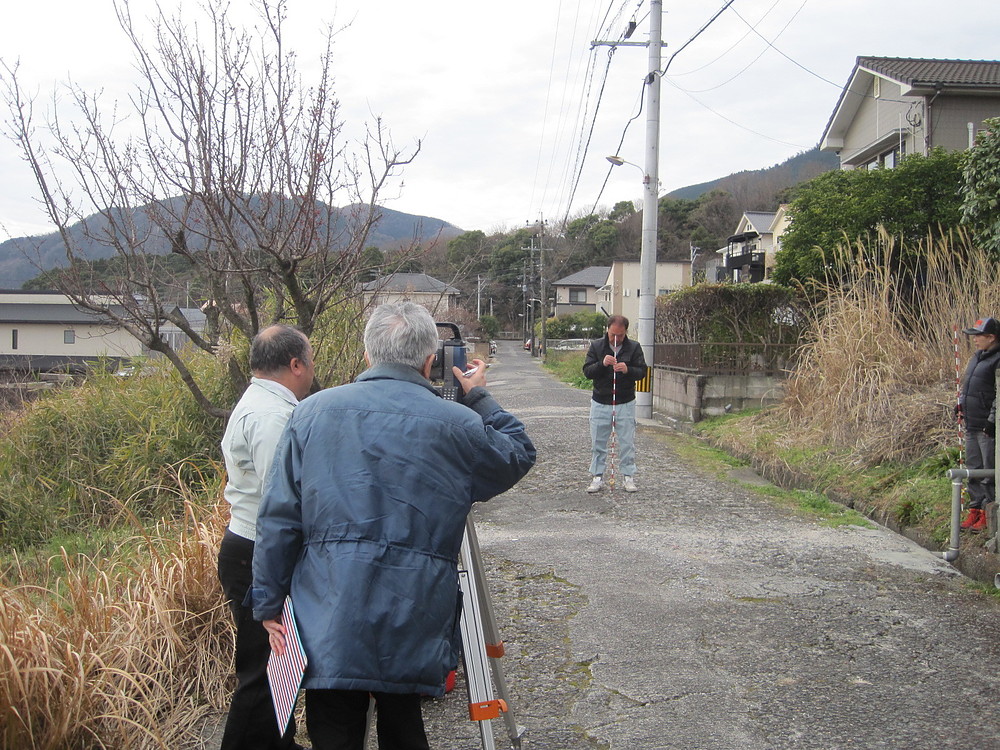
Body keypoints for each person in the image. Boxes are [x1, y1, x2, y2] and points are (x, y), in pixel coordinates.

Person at [250, 302, 536, 750]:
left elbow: (278, 517)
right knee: (404, 721)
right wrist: (478, 396)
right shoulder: (458, 422)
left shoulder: (311, 413)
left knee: (334, 725)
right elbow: (517, 454)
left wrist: (268, 602)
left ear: (367, 357)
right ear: (430, 360)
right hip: (414, 606)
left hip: (330, 605)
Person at [217, 325, 315, 750]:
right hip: (260, 551)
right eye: (309, 361)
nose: (312, 370)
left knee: (277, 669)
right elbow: (283, 502)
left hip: (252, 546)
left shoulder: (259, 401)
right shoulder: (272, 416)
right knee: (262, 671)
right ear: (295, 364)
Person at [582, 315, 647, 493]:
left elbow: (642, 371)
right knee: (598, 441)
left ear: (626, 332)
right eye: (612, 335)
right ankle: (597, 476)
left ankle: (628, 476)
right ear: (607, 330)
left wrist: (628, 370)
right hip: (600, 401)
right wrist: (602, 364)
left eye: (620, 335)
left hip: (625, 402)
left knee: (627, 442)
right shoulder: (596, 346)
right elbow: (587, 371)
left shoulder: (634, 347)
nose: (616, 338)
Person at [958, 317, 1000, 531]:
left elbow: (998, 396)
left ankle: (987, 512)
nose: (974, 339)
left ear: (991, 337)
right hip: (971, 424)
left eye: (978, 335)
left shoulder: (997, 360)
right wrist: (959, 405)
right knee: (972, 467)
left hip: (986, 427)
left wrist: (991, 421)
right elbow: (967, 387)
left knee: (987, 470)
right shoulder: (977, 357)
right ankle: (974, 510)